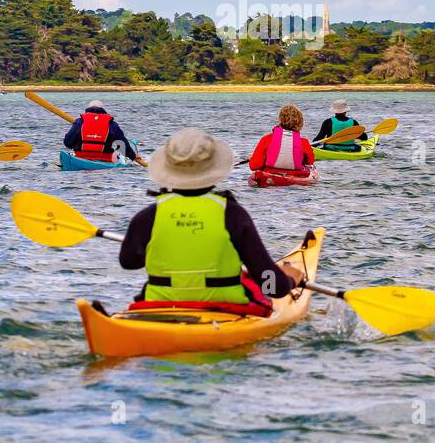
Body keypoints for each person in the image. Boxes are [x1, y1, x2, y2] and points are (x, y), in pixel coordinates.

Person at [118, 128, 306, 314]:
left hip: (159, 306)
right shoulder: (232, 214)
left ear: (169, 171)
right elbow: (271, 285)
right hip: (224, 308)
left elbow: (129, 262)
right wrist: (290, 280)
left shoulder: (149, 215)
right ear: (213, 171)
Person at [64, 99, 139, 164]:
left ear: (88, 108)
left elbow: (68, 142)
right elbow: (122, 144)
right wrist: (132, 156)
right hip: (105, 159)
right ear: (102, 109)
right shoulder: (112, 124)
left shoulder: (79, 122)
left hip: (81, 157)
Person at [249, 104, 316, 174]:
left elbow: (254, 166)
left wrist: (251, 158)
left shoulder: (266, 139)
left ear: (280, 119)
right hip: (295, 176)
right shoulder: (304, 142)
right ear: (300, 122)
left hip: (269, 175)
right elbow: (310, 162)